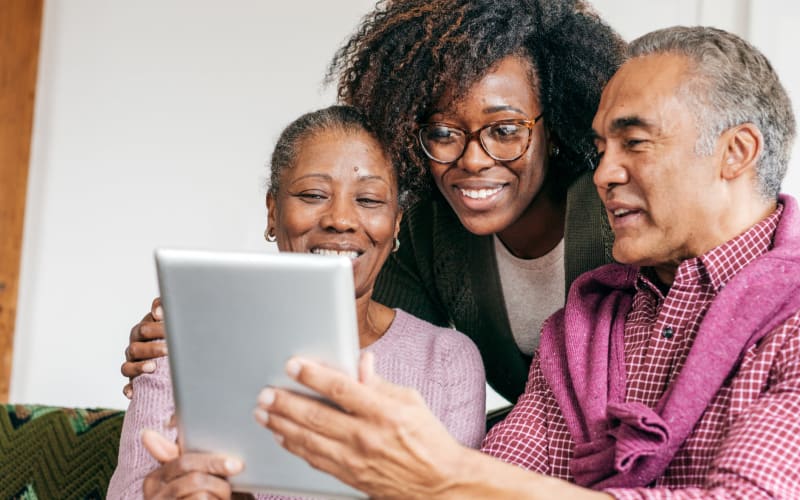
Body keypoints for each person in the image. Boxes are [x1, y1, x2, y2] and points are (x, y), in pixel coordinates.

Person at [250, 26, 800, 498]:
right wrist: (202, 320)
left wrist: (448, 474)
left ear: (736, 152)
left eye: (633, 142)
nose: (604, 172)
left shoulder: (790, 323)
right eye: (602, 147)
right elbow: (503, 474)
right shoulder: (583, 328)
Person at [121, 0, 627, 407]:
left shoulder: (613, 210)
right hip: (528, 454)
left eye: (505, 130)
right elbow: (379, 351)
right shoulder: (426, 231)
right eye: (444, 132)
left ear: (554, 126)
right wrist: (194, 330)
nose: (474, 159)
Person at [107, 105, 487, 499]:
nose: (341, 219)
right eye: (313, 194)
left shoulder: (446, 360)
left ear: (395, 225)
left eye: (370, 200)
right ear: (273, 212)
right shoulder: (182, 341)